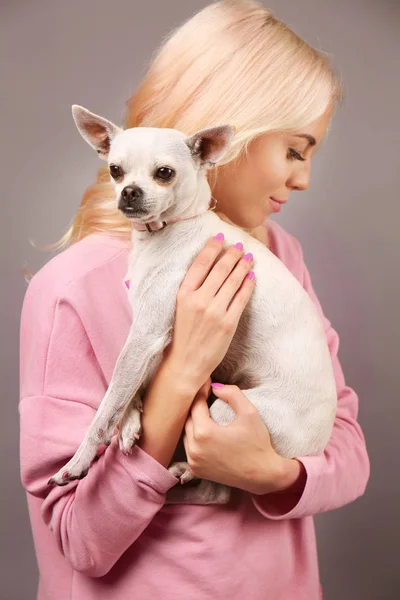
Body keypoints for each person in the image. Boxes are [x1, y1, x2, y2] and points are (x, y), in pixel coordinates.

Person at [19, 1, 370, 598]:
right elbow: (76, 539)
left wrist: (268, 472)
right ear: (224, 139)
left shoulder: (278, 255)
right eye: (294, 149)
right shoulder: (73, 288)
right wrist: (180, 373)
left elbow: (350, 454)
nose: (304, 178)